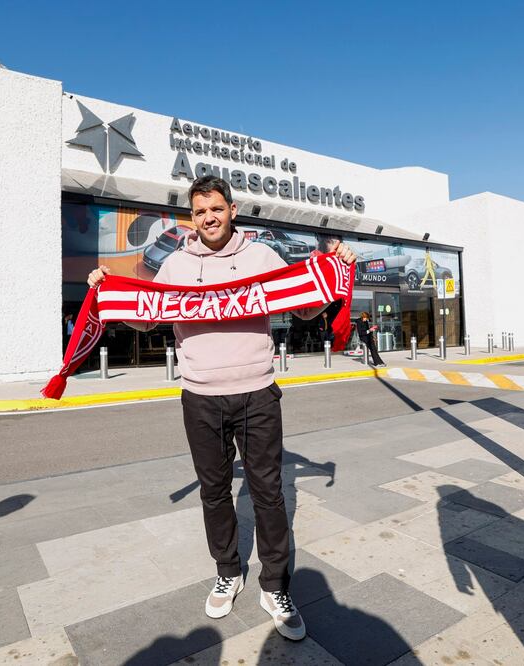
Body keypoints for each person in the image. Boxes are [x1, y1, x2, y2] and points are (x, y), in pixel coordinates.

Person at [86, 175, 356, 641]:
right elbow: (144, 315)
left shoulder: (262, 257)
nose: (208, 218)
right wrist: (107, 288)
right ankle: (228, 571)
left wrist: (333, 269)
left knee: (268, 493)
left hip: (257, 393)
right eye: (199, 211)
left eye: (216, 208)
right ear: (193, 217)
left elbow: (304, 308)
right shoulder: (175, 263)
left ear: (232, 210)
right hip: (201, 397)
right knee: (214, 493)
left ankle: (275, 585)